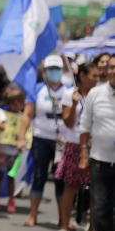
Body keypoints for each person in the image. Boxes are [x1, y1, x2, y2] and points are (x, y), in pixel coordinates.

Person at [18, 55, 73, 227]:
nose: (54, 72)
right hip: (40, 139)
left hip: (62, 142)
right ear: (45, 71)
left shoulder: (70, 90)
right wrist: (21, 137)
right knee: (39, 176)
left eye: (57, 69)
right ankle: (33, 215)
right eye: (51, 69)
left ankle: (63, 219)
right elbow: (27, 114)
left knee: (60, 180)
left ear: (63, 70)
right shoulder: (37, 90)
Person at [56, 62, 98, 231]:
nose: (96, 79)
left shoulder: (98, 94)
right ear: (82, 75)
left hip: (95, 146)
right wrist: (73, 105)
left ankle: (93, 227)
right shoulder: (69, 94)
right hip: (74, 144)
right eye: (93, 76)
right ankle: (65, 225)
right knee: (71, 185)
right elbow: (68, 122)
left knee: (96, 189)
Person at [79, 55, 115, 231]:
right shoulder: (96, 93)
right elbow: (84, 125)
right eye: (112, 67)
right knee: (101, 209)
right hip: (100, 162)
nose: (114, 71)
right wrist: (83, 154)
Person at [0, 86, 26, 214]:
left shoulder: (22, 117)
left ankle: (11, 200)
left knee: (11, 178)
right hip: (3, 151)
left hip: (15, 153)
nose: (22, 105)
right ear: (13, 103)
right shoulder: (2, 113)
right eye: (21, 103)